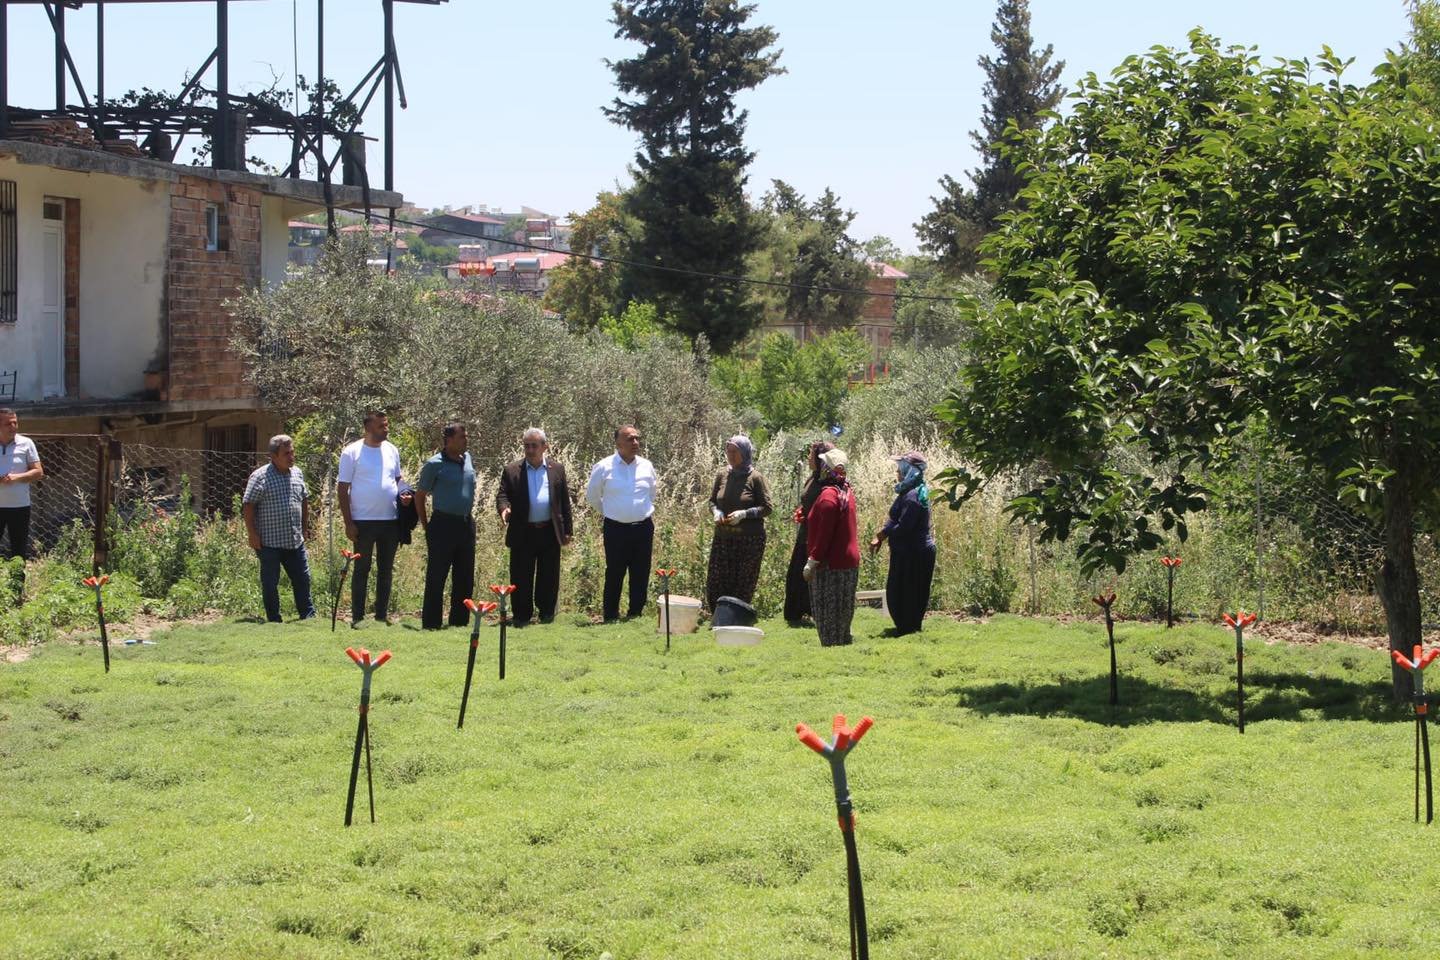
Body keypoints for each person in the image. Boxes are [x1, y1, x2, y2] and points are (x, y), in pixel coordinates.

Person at [337, 410, 411, 627]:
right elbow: (343, 489)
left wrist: (405, 492)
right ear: (368, 428)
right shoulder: (351, 453)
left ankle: (381, 616)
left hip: (390, 520)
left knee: (386, 570)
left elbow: (398, 479)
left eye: (386, 425)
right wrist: (349, 523)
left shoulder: (392, 450)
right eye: (381, 426)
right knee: (362, 569)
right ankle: (358, 617)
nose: (386, 429)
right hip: (363, 522)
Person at [497, 428, 574, 626]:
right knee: (521, 574)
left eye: (534, 445)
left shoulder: (557, 469)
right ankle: (522, 615)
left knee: (549, 575)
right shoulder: (512, 470)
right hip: (523, 531)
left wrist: (567, 531)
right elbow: (502, 495)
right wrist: (504, 509)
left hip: (549, 531)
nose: (530, 450)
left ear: (544, 447)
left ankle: (547, 613)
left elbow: (564, 502)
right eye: (526, 446)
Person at [585, 424, 656, 622]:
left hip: (643, 528)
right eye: (630, 439)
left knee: (641, 572)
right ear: (618, 444)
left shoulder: (646, 466)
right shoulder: (604, 466)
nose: (635, 442)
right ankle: (610, 615)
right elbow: (592, 497)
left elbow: (652, 494)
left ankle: (635, 614)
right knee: (615, 572)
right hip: (615, 529)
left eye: (637, 438)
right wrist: (611, 513)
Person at [241, 434, 315, 623]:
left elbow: (304, 500)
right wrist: (252, 534)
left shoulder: (297, 473)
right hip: (269, 542)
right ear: (273, 456)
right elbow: (248, 506)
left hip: (294, 540)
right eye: (286, 453)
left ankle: (307, 616)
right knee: (270, 582)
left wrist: (304, 527)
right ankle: (274, 619)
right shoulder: (260, 477)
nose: (291, 457)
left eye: (292, 452)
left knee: (302, 578)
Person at [415, 423, 476, 630]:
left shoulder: (467, 459)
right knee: (437, 576)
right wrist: (426, 526)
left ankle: (459, 621)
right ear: (449, 440)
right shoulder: (434, 464)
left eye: (466, 436)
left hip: (466, 524)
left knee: (465, 576)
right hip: (442, 525)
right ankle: (431, 623)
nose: (466, 440)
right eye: (462, 437)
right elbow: (420, 496)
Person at [869, 451, 937, 635]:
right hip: (907, 551)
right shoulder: (907, 492)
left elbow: (905, 526)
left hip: (915, 552)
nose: (897, 473)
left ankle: (908, 628)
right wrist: (881, 535)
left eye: (900, 469)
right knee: (898, 590)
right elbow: (894, 519)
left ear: (909, 472)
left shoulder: (913, 496)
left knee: (908, 592)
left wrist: (884, 534)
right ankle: (906, 627)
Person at [705, 435, 772, 610]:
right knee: (717, 580)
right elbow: (712, 500)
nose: (731, 455)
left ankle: (737, 617)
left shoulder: (755, 478)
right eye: (728, 451)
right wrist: (716, 511)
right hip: (723, 538)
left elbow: (767, 508)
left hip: (749, 540)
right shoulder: (722, 475)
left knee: (743, 581)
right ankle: (718, 616)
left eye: (735, 451)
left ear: (745, 453)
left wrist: (745, 514)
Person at [803, 448, 860, 647]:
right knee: (842, 611)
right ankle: (842, 644)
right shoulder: (846, 491)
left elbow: (824, 533)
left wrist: (812, 561)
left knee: (828, 612)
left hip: (831, 563)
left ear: (827, 469)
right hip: (849, 560)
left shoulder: (829, 496)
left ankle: (832, 648)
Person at [783, 440, 835, 625]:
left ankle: (813, 613)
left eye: (811, 455)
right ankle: (797, 615)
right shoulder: (813, 478)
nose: (808, 458)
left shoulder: (828, 481)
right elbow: (808, 501)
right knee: (795, 576)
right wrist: (801, 511)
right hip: (804, 533)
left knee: (811, 574)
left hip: (816, 536)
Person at [0, 408, 43, 563]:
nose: (13, 427)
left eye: (15, 422)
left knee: (19, 553)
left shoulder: (26, 443)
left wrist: (16, 478)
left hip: (19, 506)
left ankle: (18, 586)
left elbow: (38, 472)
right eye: (8, 424)